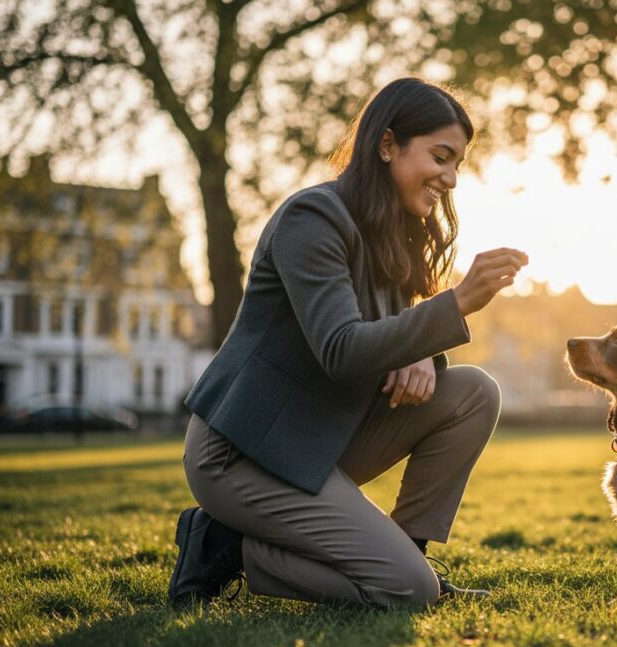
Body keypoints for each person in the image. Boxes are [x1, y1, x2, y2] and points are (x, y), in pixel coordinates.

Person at [168, 78, 528, 609]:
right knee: (407, 590)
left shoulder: (396, 232)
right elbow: (341, 349)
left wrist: (421, 350)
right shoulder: (312, 218)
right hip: (242, 452)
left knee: (473, 392)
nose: (451, 178)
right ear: (387, 145)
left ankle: (408, 550)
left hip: (316, 438)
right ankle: (225, 545)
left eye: (457, 164)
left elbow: (392, 335)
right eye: (440, 157)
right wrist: (456, 303)